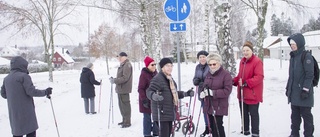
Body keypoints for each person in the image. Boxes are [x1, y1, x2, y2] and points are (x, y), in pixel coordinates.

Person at [1, 56, 53, 137]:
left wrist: (14, 95)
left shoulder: (6, 79)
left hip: (14, 113)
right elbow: (31, 91)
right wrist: (45, 92)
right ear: (22, 65)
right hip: (26, 112)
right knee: (31, 132)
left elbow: (3, 94)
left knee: (17, 133)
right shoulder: (24, 76)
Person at [146, 57, 194, 137]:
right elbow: (149, 91)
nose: (170, 68)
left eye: (171, 66)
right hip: (161, 113)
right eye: (167, 66)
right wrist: (154, 96)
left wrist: (186, 94)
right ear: (162, 67)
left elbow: (173, 93)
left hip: (169, 112)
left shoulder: (169, 78)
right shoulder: (158, 79)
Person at [233, 41, 264, 137]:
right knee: (244, 113)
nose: (245, 52)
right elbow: (240, 76)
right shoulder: (242, 61)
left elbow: (259, 77)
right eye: (244, 51)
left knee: (253, 114)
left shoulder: (257, 61)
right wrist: (233, 81)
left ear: (252, 50)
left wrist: (247, 82)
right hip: (242, 93)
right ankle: (245, 130)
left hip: (252, 93)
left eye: (247, 50)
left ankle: (255, 132)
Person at [286, 33, 314, 137]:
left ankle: (308, 135)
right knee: (294, 117)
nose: (292, 46)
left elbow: (310, 75)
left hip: (304, 94)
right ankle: (294, 134)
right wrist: (288, 88)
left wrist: (305, 89)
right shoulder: (293, 57)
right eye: (291, 44)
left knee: (306, 117)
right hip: (294, 94)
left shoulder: (306, 56)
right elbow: (291, 76)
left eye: (294, 43)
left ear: (300, 43)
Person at [199, 53, 232, 137]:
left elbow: (227, 91)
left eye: (214, 64)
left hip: (219, 105)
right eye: (210, 64)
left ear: (219, 63)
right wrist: (203, 92)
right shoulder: (208, 74)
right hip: (210, 105)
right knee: (212, 127)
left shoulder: (225, 74)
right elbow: (205, 86)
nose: (212, 66)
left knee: (218, 126)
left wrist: (213, 93)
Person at [109, 52, 133, 128]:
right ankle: (124, 120)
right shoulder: (123, 64)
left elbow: (125, 78)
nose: (119, 59)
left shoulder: (127, 65)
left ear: (124, 57)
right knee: (121, 105)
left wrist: (115, 80)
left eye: (120, 57)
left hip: (124, 89)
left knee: (125, 105)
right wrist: (115, 80)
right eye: (118, 57)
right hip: (120, 89)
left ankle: (127, 122)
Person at [138, 56, 159, 137]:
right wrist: (144, 99)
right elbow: (140, 88)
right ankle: (147, 134)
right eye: (152, 65)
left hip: (155, 99)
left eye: (155, 64)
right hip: (146, 99)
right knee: (147, 117)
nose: (154, 66)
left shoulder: (156, 73)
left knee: (156, 116)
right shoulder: (144, 75)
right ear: (147, 66)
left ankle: (156, 132)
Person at [192, 50, 210, 137]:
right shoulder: (197, 67)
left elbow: (212, 78)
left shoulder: (210, 66)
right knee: (204, 111)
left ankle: (212, 127)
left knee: (210, 110)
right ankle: (207, 127)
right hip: (201, 93)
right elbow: (195, 77)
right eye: (200, 57)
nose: (202, 59)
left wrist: (204, 83)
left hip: (209, 92)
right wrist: (195, 81)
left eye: (204, 57)